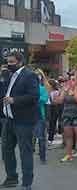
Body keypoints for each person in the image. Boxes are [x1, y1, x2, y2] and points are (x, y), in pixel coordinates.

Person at [0, 51, 40, 190]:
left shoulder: (29, 75)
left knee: (25, 152)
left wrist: (14, 100)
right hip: (9, 119)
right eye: (8, 62)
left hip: (24, 121)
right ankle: (11, 178)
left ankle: (27, 183)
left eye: (12, 62)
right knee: (6, 150)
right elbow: (4, 93)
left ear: (20, 62)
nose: (9, 65)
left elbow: (34, 96)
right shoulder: (9, 76)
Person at [53, 77, 77, 164]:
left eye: (73, 79)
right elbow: (59, 101)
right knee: (68, 136)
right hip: (67, 115)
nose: (71, 81)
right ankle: (68, 154)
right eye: (70, 79)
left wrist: (75, 89)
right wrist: (64, 91)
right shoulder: (66, 90)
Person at [33, 69, 49, 164]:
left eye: (39, 75)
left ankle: (42, 157)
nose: (37, 77)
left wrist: (33, 98)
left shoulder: (42, 88)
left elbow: (44, 99)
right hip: (28, 115)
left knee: (41, 137)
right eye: (35, 75)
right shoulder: (28, 88)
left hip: (39, 115)